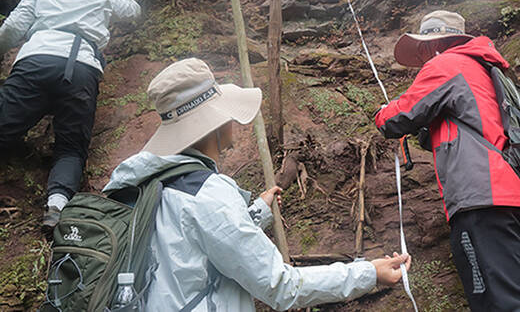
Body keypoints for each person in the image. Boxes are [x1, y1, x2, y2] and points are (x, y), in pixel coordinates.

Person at [102, 58, 411, 311]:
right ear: (216, 122)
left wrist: (256, 212)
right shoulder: (207, 192)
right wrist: (369, 273)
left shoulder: (151, 182)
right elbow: (280, 285)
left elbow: (190, 246)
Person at [374, 11, 520, 311]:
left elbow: (397, 118)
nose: (423, 56)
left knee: (500, 304)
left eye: (424, 47)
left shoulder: (446, 64)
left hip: (483, 201)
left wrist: (382, 111)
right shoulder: (486, 70)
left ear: (434, 44)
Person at [0, 0, 141, 231]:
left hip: (35, 62)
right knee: (71, 146)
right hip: (81, 69)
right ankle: (56, 207)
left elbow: (11, 29)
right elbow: (133, 11)